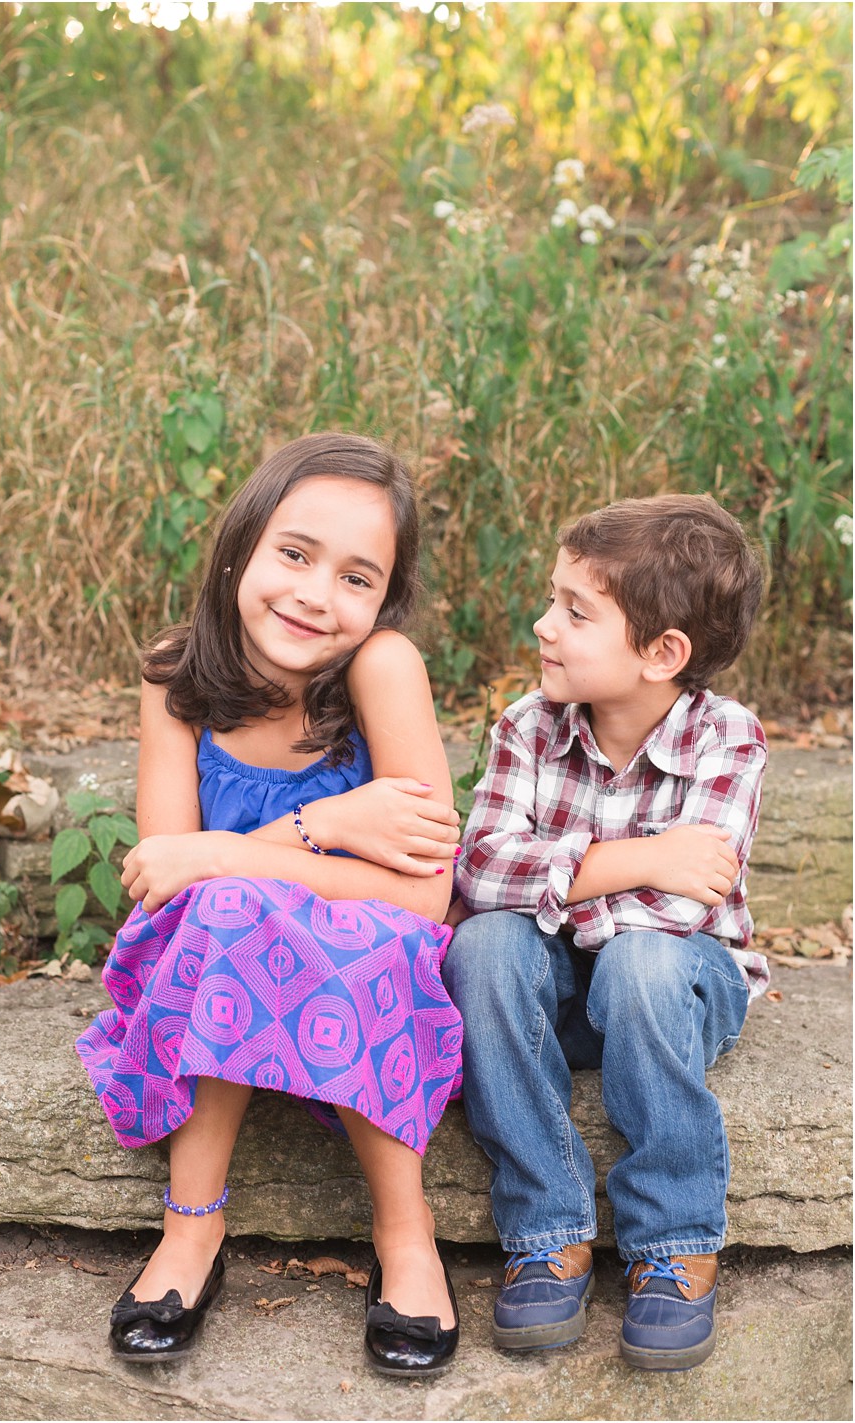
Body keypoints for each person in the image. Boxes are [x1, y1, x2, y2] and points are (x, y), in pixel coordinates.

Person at [76, 432, 463, 1376]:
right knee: (227, 912)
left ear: (385, 600)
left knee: (349, 930)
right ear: (241, 545)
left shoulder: (383, 670)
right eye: (295, 553)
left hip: (363, 958)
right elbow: (164, 882)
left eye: (357, 577)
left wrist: (226, 857)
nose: (315, 595)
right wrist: (326, 826)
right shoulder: (180, 677)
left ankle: (404, 1233)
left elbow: (427, 890)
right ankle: (191, 1226)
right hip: (211, 955)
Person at [443, 493, 768, 1373]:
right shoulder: (526, 726)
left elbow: (682, 909)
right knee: (482, 946)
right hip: (562, 989)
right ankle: (547, 1226)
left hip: (678, 986)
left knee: (640, 964)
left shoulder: (726, 737)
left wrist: (561, 876)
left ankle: (673, 1239)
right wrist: (641, 858)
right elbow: (479, 873)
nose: (543, 624)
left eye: (575, 611)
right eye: (553, 597)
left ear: (663, 653)